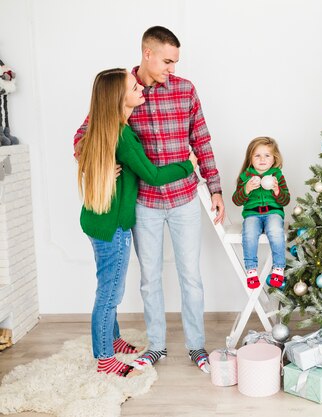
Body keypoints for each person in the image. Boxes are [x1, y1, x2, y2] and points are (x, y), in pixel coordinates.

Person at [74, 26, 225, 374]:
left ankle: (196, 347)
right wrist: (99, 163)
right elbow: (86, 134)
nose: (171, 68)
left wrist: (215, 189)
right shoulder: (124, 92)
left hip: (185, 200)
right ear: (147, 54)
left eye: (175, 62)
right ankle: (156, 346)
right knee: (149, 279)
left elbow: (201, 139)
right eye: (167, 61)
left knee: (191, 277)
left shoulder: (185, 89)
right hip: (144, 205)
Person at [77, 68, 197, 377]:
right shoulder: (124, 137)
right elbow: (154, 176)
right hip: (112, 227)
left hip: (98, 221)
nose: (140, 87)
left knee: (107, 286)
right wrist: (188, 165)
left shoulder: (110, 128)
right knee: (110, 293)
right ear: (120, 98)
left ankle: (113, 339)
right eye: (134, 87)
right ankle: (105, 358)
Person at [232, 136, 290, 289]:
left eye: (267, 155)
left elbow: (286, 200)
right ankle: (251, 270)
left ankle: (278, 268)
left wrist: (277, 190)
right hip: (252, 214)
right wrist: (247, 189)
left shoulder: (277, 176)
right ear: (250, 159)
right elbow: (236, 200)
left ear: (274, 159)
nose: (262, 159)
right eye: (257, 155)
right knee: (249, 233)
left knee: (276, 231)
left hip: (273, 213)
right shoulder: (245, 177)